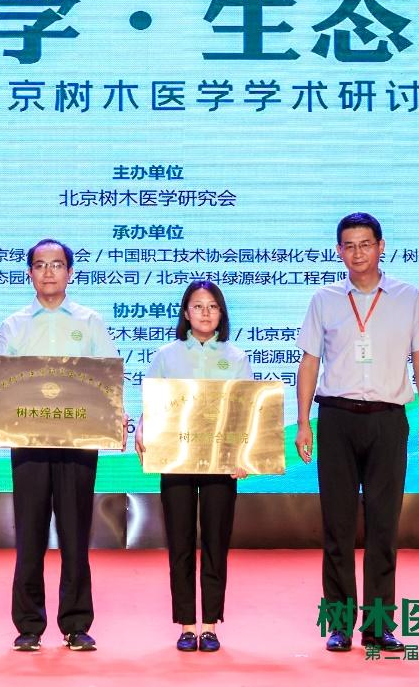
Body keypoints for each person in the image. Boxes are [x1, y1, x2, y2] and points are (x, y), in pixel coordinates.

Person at [294, 213, 419, 653]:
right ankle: (339, 625)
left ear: (381, 246)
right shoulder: (324, 300)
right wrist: (303, 421)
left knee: (383, 527)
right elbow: (309, 362)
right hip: (336, 419)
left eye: (365, 244)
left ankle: (379, 625)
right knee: (337, 528)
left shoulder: (408, 297)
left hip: (388, 420)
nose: (357, 253)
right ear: (339, 251)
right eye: (349, 246)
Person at [0, 238, 119, 652]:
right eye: (40, 265)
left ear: (70, 273)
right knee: (30, 535)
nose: (49, 272)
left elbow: (109, 377)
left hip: (78, 442)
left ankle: (76, 623)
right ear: (30, 273)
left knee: (75, 535)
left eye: (57, 265)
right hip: (29, 444)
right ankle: (29, 625)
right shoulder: (14, 325)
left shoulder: (89, 322)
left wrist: (117, 415)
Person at [137, 280, 251, 653]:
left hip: (221, 462)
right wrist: (142, 428)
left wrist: (245, 454)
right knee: (180, 542)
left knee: (216, 542)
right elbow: (151, 405)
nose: (205, 312)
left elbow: (245, 412)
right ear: (186, 313)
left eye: (212, 306)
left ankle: (211, 625)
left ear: (221, 313)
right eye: (198, 306)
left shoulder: (236, 357)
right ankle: (187, 625)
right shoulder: (166, 356)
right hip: (176, 458)